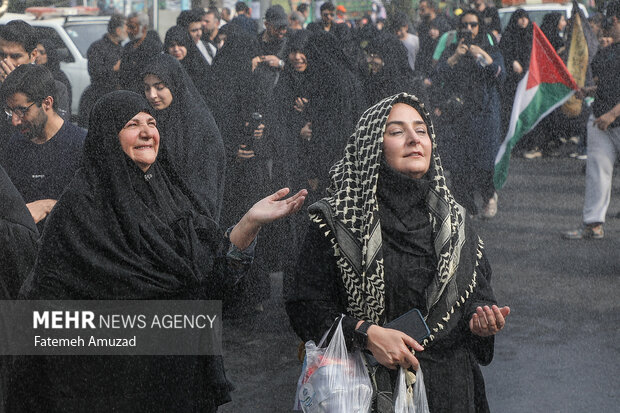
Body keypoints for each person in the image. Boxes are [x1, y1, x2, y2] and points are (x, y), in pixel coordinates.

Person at [7, 90, 306, 412]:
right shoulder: (80, 210)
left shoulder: (170, 194)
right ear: (109, 136)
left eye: (151, 122)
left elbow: (210, 277)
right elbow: (55, 306)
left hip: (175, 379)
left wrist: (249, 224)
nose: (148, 132)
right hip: (108, 386)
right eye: (133, 125)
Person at [286, 93, 510, 412]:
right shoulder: (338, 221)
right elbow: (305, 308)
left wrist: (481, 318)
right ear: (372, 147)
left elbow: (477, 295)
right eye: (396, 131)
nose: (413, 139)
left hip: (449, 389)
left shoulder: (457, 222)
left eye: (421, 130)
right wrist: (367, 334)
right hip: (370, 391)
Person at [433, 9, 505, 219]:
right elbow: (436, 76)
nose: (469, 29)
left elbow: (501, 75)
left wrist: (483, 57)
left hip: (485, 113)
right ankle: (465, 206)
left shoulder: (489, 47)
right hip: (459, 114)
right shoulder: (453, 50)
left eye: (473, 25)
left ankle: (489, 196)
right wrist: (455, 57)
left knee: (484, 161)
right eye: (465, 25)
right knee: (459, 164)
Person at [0, 64, 86, 231]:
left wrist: (50, 206)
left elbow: (95, 210)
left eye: (22, 111)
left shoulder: (82, 145)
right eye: (10, 111)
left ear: (47, 102)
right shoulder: (15, 146)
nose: (15, 121)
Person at [142, 53, 225, 222]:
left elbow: (204, 189)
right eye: (147, 88)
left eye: (159, 87)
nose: (152, 95)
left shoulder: (198, 125)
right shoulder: (150, 120)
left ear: (174, 85)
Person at [563, 0, 620, 240]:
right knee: (597, 174)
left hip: (611, 117)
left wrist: (613, 114)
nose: (609, 25)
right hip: (600, 120)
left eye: (613, 20)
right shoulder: (607, 52)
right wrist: (589, 91)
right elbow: (608, 86)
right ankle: (593, 223)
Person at [0, 20, 70, 120]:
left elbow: (53, 130)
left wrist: (16, 88)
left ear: (33, 55)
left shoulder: (55, 88)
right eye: (2, 55)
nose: (7, 62)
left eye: (15, 56)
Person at [80, 14, 127, 127]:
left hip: (119, 98)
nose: (128, 32)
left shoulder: (123, 48)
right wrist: (114, 68)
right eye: (126, 28)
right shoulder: (97, 47)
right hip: (99, 97)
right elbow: (95, 71)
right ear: (118, 30)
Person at [119, 12, 163, 93]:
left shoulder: (153, 48)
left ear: (144, 28)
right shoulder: (127, 47)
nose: (128, 31)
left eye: (132, 27)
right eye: (127, 27)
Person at [35, 39, 72, 115]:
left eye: (42, 52)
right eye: (36, 52)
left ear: (49, 54)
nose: (37, 55)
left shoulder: (59, 77)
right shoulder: (34, 73)